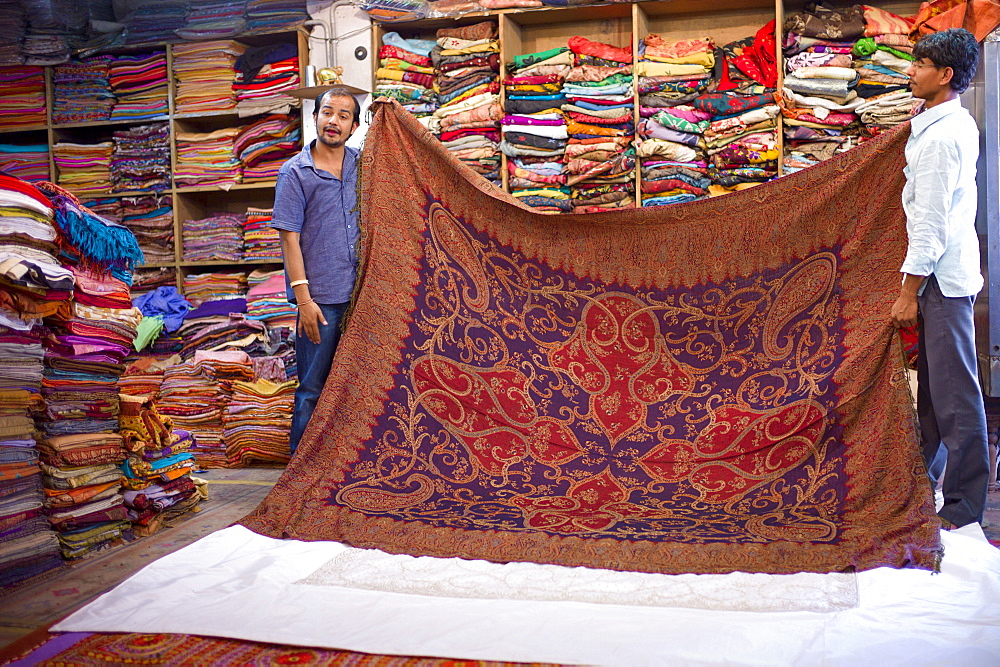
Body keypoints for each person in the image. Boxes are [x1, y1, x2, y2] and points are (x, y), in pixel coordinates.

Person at [890, 28, 989, 529]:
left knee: (954, 397)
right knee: (932, 393)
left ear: (944, 75)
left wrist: (909, 291)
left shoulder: (943, 137)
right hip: (944, 278)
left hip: (940, 283)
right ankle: (926, 489)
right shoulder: (940, 123)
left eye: (919, 63)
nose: (911, 70)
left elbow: (929, 221)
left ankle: (965, 507)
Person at [272, 87, 361, 453]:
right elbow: (289, 239)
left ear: (354, 126)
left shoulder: (362, 166)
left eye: (343, 115)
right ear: (314, 117)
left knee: (355, 389)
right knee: (312, 388)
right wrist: (304, 300)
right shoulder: (295, 173)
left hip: (360, 296)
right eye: (327, 112)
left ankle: (340, 471)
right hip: (321, 301)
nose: (333, 121)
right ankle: (298, 479)